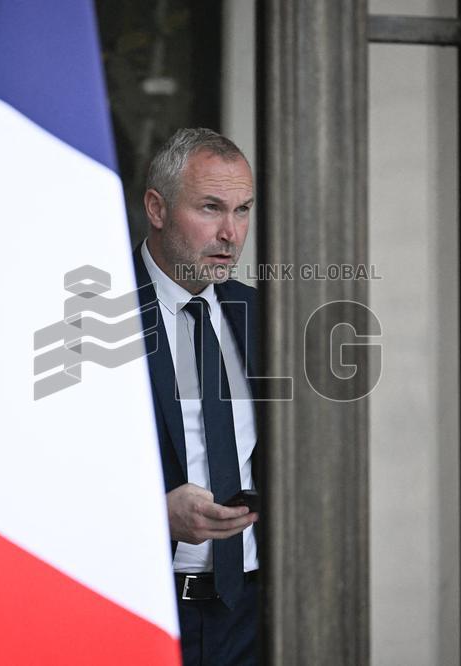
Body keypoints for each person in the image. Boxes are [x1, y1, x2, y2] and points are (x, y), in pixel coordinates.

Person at [133, 128, 262, 665]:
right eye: (211, 208)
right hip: (141, 604)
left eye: (242, 210)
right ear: (157, 209)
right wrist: (150, 516)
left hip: (251, 609)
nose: (231, 233)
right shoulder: (91, 315)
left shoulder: (262, 314)